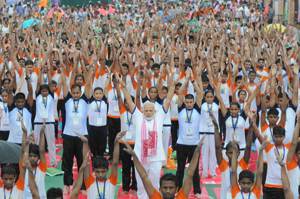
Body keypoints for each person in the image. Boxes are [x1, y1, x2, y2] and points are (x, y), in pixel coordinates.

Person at [116, 68, 179, 199]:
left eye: (151, 111)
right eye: (146, 111)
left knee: (154, 186)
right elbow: (129, 99)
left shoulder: (160, 115)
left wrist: (172, 85)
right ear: (143, 111)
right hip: (140, 157)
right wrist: (123, 85)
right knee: (140, 186)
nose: (148, 113)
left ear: (154, 111)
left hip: (155, 158)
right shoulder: (138, 116)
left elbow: (167, 100)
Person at [123, 133, 206, 199]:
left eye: (171, 188)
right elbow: (143, 176)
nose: (168, 191)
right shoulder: (156, 197)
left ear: (177, 189)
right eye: (165, 188)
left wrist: (196, 152)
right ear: (160, 189)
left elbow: (190, 173)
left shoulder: (181, 197)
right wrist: (134, 156)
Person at [59, 51, 93, 194]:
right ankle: (67, 185)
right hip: (68, 135)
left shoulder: (85, 99)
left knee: (82, 162)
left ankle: (83, 186)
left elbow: (89, 81)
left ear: (81, 91)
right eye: (73, 92)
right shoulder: (67, 99)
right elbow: (66, 81)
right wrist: (66, 68)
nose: (75, 94)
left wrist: (85, 65)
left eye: (77, 92)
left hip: (82, 136)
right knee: (67, 162)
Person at [176, 67, 203, 197]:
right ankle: (178, 189)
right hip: (181, 143)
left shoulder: (197, 109)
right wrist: (185, 80)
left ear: (194, 102)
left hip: (194, 144)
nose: (188, 104)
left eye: (190, 102)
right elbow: (180, 93)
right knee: (180, 169)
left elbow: (199, 93)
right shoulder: (181, 109)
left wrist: (192, 80)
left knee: (195, 170)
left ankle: (196, 191)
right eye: (187, 102)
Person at [76, 130, 125, 199]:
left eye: (103, 171)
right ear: (93, 170)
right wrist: (85, 142)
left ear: (108, 169)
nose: (100, 174)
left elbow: (115, 163)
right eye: (98, 171)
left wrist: (116, 142)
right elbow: (86, 162)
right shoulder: (90, 182)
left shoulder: (111, 181)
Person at [230, 127, 266, 199]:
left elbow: (260, 172)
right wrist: (234, 150)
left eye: (248, 183)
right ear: (239, 182)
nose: (246, 186)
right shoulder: (235, 191)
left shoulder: (255, 191)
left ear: (252, 183)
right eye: (243, 183)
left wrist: (261, 151)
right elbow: (233, 171)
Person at [34, 62, 56, 167]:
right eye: (42, 91)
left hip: (50, 121)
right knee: (37, 143)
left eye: (46, 91)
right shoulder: (38, 96)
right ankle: (37, 161)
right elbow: (39, 82)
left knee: (51, 143)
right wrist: (40, 71)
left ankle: (53, 162)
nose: (44, 92)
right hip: (38, 122)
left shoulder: (51, 96)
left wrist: (48, 72)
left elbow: (50, 83)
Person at [21, 118, 47, 199]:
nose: (32, 158)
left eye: (35, 156)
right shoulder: (23, 168)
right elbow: (23, 151)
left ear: (39, 157)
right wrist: (25, 134)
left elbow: (42, 150)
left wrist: (42, 133)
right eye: (30, 156)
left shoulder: (41, 168)